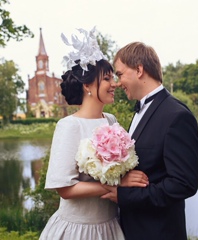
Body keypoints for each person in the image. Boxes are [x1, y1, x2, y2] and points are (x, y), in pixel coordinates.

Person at [39, 29, 148, 240]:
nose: (114, 84)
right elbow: (65, 189)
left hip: (109, 226)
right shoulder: (69, 126)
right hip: (79, 230)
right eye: (107, 79)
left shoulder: (111, 121)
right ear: (87, 85)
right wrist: (118, 184)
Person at [101, 42, 198, 240]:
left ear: (139, 70)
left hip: (159, 232)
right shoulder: (139, 111)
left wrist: (125, 196)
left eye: (120, 74)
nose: (118, 83)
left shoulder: (176, 116)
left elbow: (183, 184)